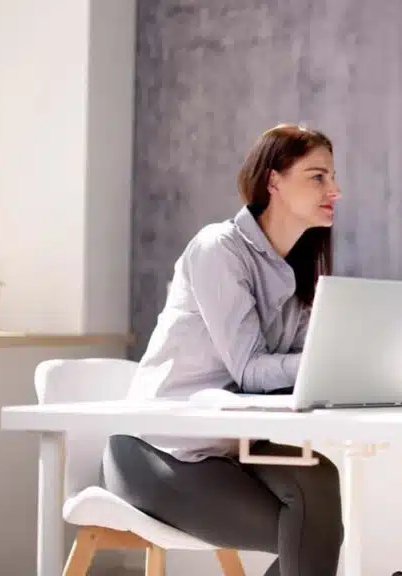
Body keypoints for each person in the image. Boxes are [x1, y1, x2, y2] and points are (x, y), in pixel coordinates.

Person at [102, 124, 344, 576]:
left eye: (332, 177)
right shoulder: (218, 249)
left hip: (231, 446)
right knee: (310, 529)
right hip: (160, 448)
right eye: (318, 177)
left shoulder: (297, 268)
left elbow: (293, 372)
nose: (335, 190)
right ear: (273, 181)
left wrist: (346, 366)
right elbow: (252, 370)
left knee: (320, 478)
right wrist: (329, 362)